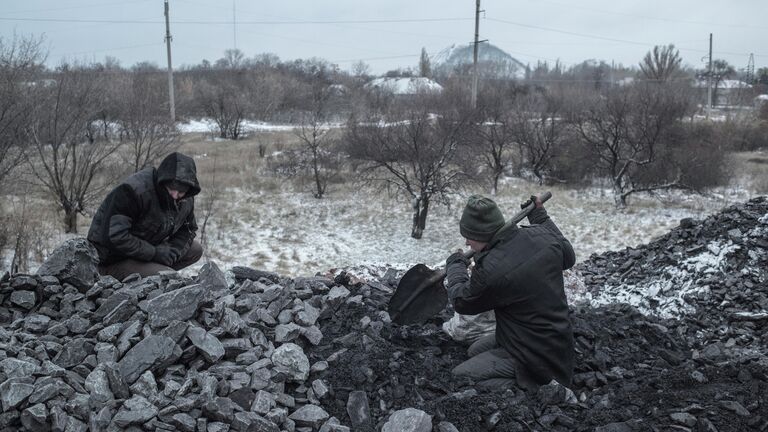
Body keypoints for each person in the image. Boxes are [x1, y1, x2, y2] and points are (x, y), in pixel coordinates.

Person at [444, 194, 576, 391]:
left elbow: (462, 301)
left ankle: (535, 387)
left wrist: (455, 266)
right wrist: (540, 216)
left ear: (481, 235)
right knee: (473, 351)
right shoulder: (542, 234)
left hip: (535, 355)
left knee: (460, 377)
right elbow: (569, 257)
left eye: (469, 236)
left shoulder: (491, 270)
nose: (466, 243)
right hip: (556, 340)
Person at [87, 152, 203, 280]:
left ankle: (154, 273)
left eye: (181, 191)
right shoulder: (132, 191)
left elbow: (188, 229)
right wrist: (154, 253)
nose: (175, 195)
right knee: (170, 278)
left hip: (145, 250)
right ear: (164, 180)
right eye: (172, 188)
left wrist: (174, 251)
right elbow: (115, 236)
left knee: (195, 250)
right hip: (112, 259)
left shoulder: (186, 198)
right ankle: (147, 277)